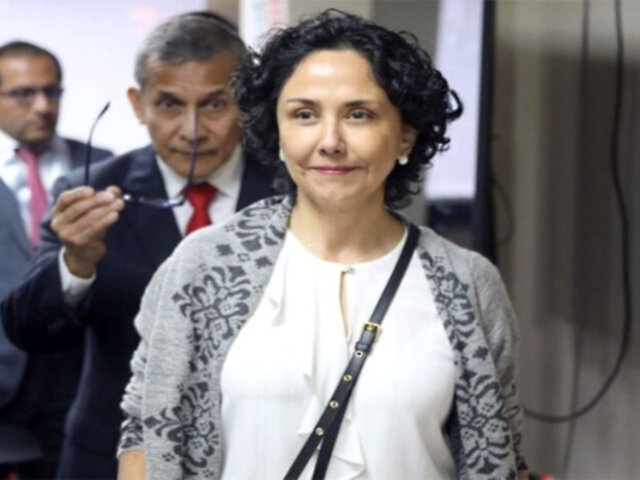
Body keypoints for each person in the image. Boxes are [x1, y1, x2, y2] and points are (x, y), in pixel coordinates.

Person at [117, 10, 527, 480]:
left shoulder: (466, 283)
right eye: (305, 115)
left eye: (359, 114)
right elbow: (146, 435)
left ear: (405, 136)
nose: (330, 141)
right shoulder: (204, 266)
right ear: (278, 131)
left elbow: (502, 449)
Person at [1, 12, 275, 480]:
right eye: (169, 104)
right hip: (111, 454)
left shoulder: (290, 189)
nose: (192, 130)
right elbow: (28, 328)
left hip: (261, 450)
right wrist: (75, 264)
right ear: (138, 104)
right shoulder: (90, 189)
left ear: (245, 102)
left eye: (214, 105)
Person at [0, 41, 112, 478]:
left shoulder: (103, 166)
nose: (43, 106)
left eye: (52, 91)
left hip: (78, 372)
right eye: (24, 94)